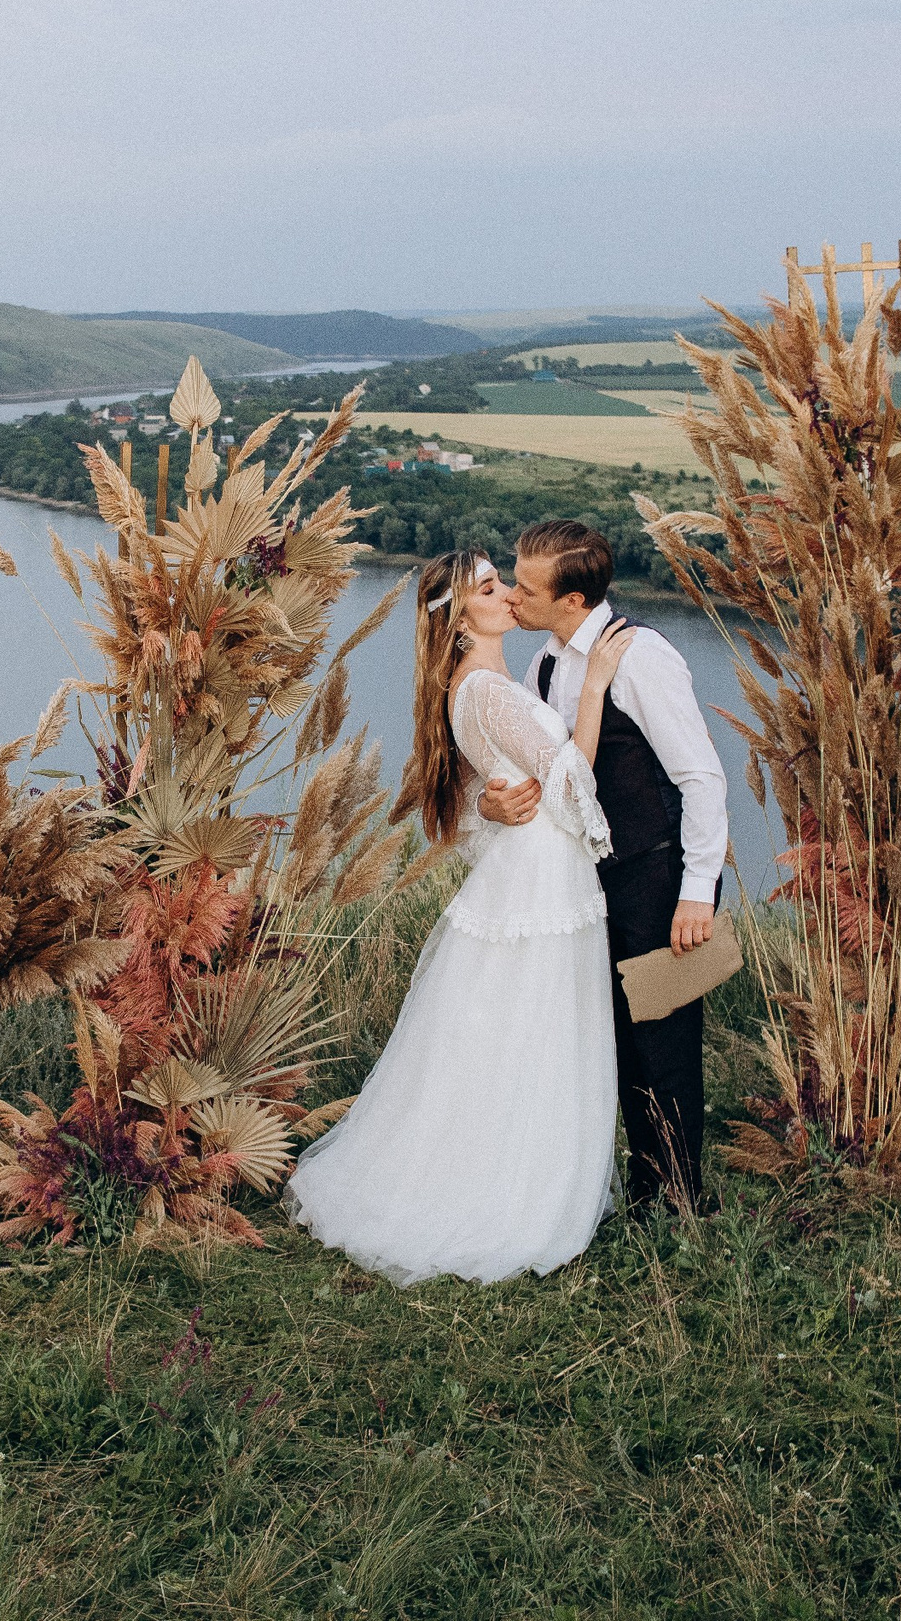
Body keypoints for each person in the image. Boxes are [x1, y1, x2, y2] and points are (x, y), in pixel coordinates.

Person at [287, 549, 638, 1284]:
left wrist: (491, 804)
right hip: (541, 880)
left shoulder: (477, 686)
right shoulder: (487, 691)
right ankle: (511, 1193)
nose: (508, 593)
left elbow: (475, 801)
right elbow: (571, 775)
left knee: (514, 1029)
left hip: (529, 867)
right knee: (536, 1027)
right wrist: (596, 687)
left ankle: (512, 1169)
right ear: (458, 621)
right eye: (488, 587)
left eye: (501, 580)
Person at [482, 520, 728, 1214]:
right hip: (594, 882)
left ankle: (680, 1203)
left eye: (526, 587)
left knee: (664, 1042)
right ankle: (644, 1185)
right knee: (616, 1038)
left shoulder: (643, 656)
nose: (512, 596)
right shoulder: (548, 666)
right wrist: (493, 802)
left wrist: (697, 892)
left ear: (573, 600)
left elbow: (702, 779)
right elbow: (542, 773)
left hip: (658, 877)